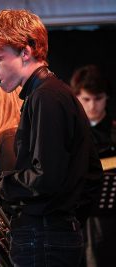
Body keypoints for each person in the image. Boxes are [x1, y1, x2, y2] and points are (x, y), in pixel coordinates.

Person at [0, 9, 103, 266]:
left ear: (25, 52)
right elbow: (90, 175)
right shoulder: (49, 94)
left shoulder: (45, 97)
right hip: (50, 235)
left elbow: (42, 180)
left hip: (44, 237)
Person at [70, 64, 116, 267]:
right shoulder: (68, 134)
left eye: (98, 99)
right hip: (76, 223)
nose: (92, 106)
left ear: (107, 97)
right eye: (86, 99)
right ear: (77, 98)